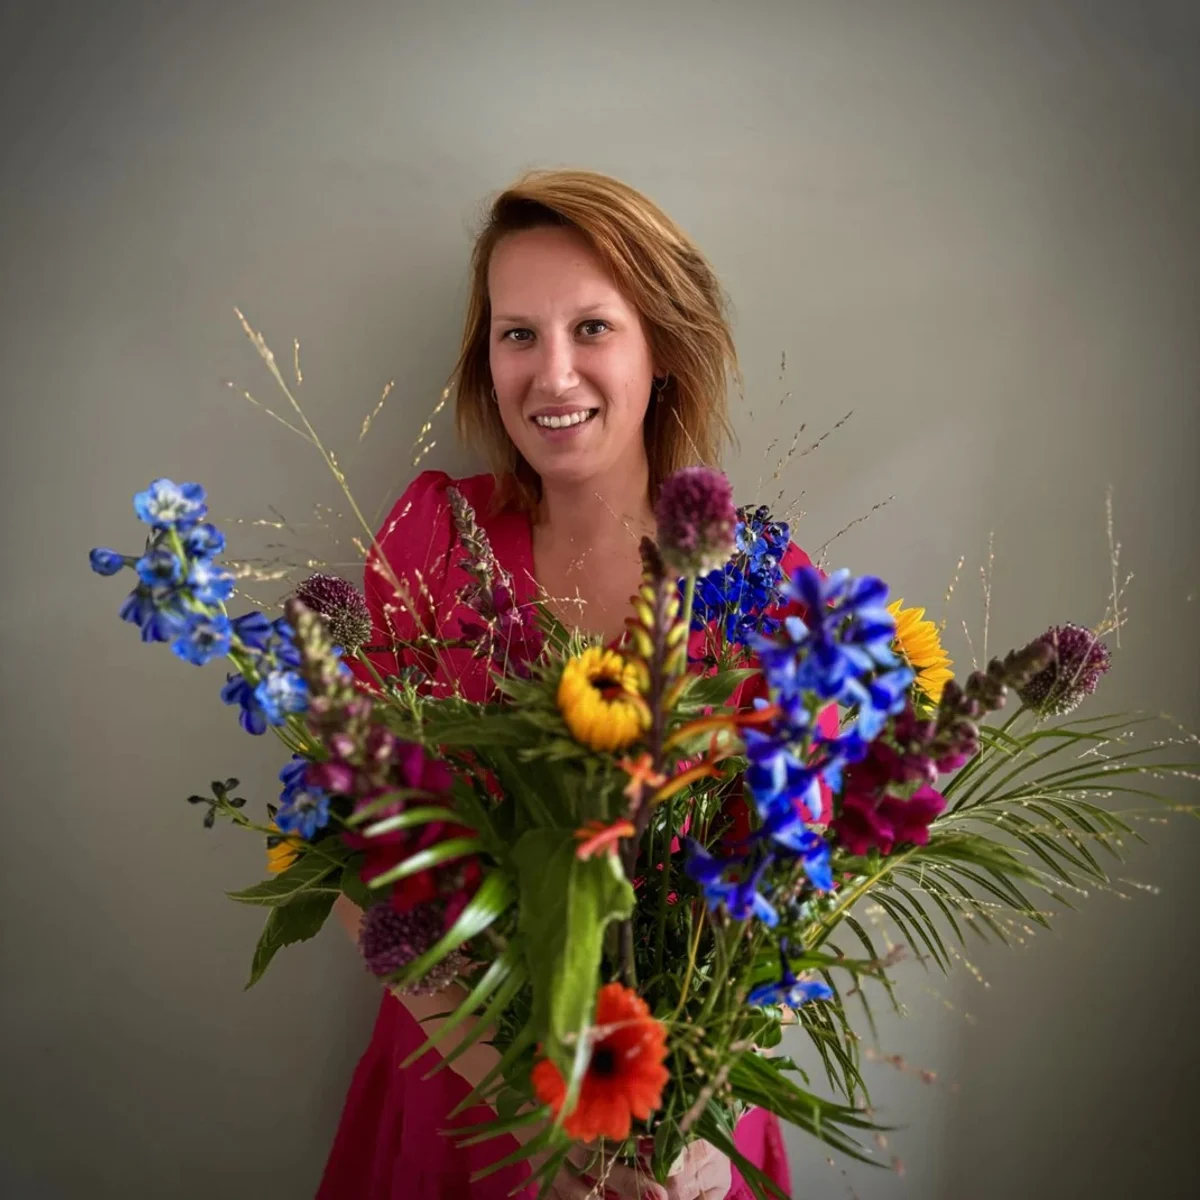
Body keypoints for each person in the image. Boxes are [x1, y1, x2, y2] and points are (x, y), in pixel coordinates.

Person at [318, 169, 816, 1199]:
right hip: (461, 1110)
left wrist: (694, 1126)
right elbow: (353, 863)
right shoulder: (432, 543)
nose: (552, 374)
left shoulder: (767, 589)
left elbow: (796, 896)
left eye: (592, 328)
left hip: (683, 1137)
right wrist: (531, 1107)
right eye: (518, 335)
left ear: (661, 348)